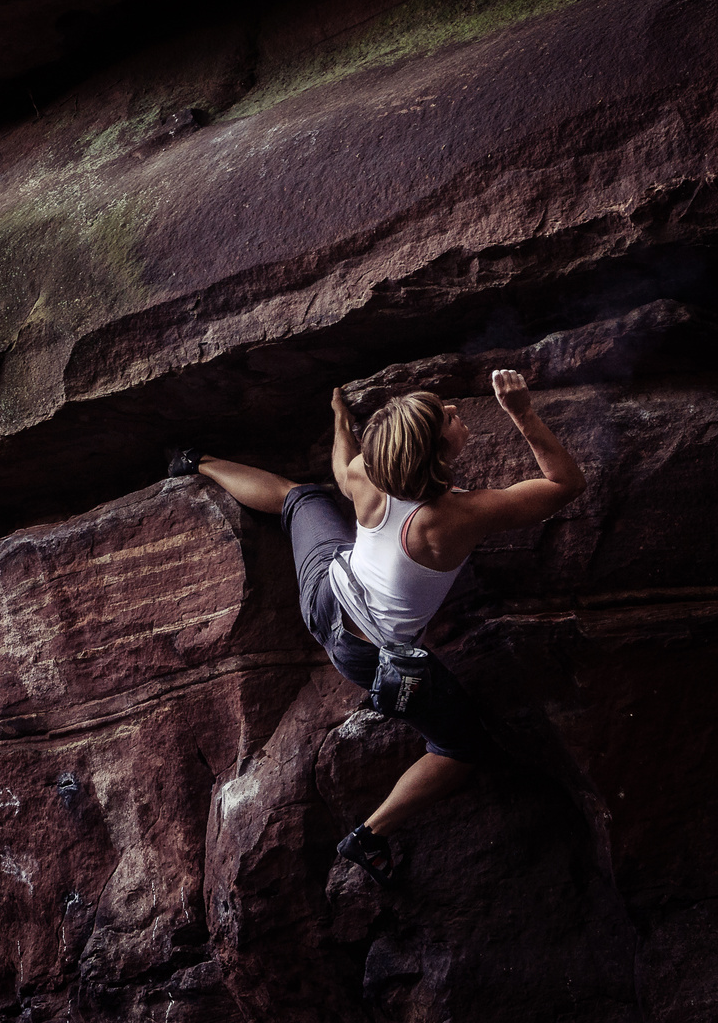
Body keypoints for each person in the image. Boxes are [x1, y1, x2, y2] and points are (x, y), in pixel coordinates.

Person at [169, 369, 585, 885]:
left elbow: (341, 470)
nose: (457, 411)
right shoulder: (452, 518)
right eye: (447, 417)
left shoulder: (370, 473)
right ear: (435, 452)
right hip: (365, 655)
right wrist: (521, 411)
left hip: (325, 594)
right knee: (462, 748)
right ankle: (369, 835)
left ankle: (196, 463)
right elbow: (566, 484)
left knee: (299, 496)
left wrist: (341, 421)